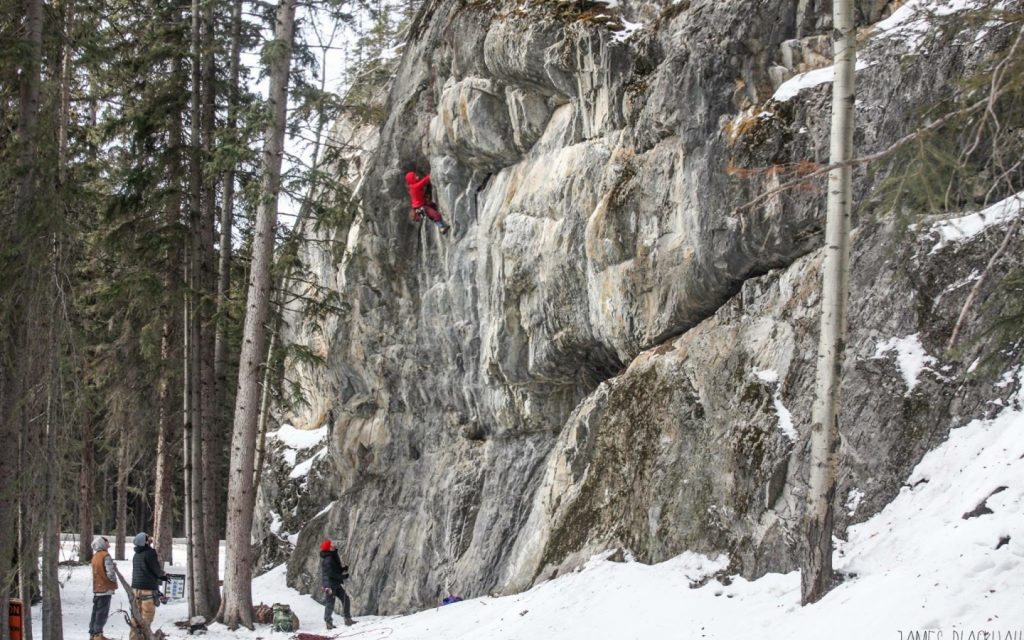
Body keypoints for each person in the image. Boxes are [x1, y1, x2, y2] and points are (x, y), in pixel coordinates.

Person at [130, 532, 168, 640]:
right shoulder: (150, 553)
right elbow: (156, 570)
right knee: (146, 618)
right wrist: (162, 574)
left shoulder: (136, 554)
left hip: (136, 589)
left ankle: (133, 638)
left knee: (135, 618)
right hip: (148, 590)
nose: (150, 540)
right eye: (148, 539)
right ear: (145, 542)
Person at [319, 539, 355, 628]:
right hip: (330, 586)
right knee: (330, 604)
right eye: (331, 544)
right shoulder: (328, 559)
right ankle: (329, 623)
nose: (334, 545)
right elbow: (330, 573)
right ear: (329, 548)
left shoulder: (332, 555)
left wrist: (343, 569)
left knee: (345, 599)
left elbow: (335, 570)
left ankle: (347, 619)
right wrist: (342, 577)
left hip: (335, 584)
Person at [89, 537, 118, 640]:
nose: (108, 543)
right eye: (106, 541)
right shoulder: (105, 556)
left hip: (97, 588)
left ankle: (93, 633)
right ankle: (98, 634)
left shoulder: (95, 556)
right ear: (102, 543)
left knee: (95, 612)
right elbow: (110, 573)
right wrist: (113, 581)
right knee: (102, 613)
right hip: (105, 589)